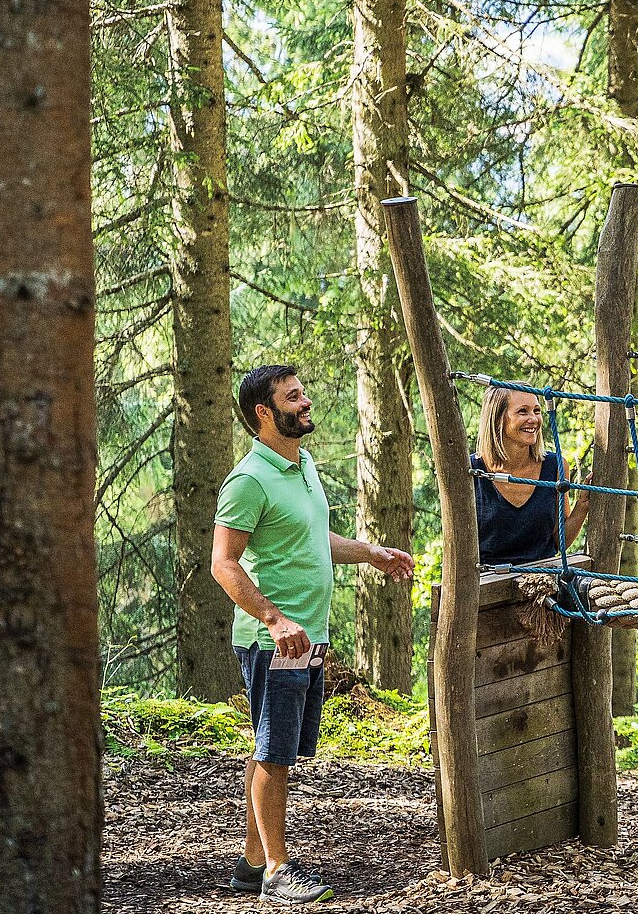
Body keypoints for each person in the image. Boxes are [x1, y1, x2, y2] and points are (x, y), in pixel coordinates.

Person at [209, 365, 414, 903]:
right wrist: (275, 620)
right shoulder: (249, 480)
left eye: (302, 393)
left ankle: (253, 866)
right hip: (271, 639)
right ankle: (277, 872)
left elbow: (311, 537)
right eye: (292, 397)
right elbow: (224, 564)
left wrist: (369, 552)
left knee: (273, 750)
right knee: (273, 753)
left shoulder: (302, 467)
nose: (304, 402)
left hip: (308, 638)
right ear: (263, 413)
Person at [472, 384, 588, 567]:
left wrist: (582, 506)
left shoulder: (555, 466)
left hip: (543, 582)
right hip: (487, 584)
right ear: (498, 418)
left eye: (536, 410)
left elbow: (559, 541)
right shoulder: (472, 470)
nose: (533, 419)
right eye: (523, 412)